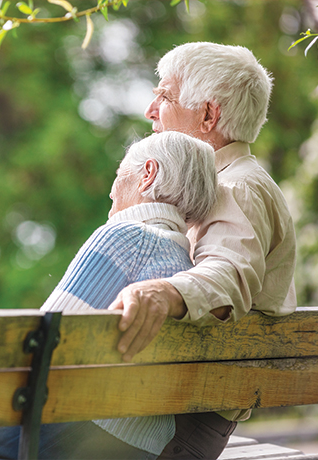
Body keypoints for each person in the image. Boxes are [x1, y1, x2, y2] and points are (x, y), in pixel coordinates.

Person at [0, 131, 219, 459]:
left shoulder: (128, 236)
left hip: (73, 425)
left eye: (119, 172)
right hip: (140, 444)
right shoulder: (184, 266)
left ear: (147, 174)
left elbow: (32, 356)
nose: (111, 189)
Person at [107, 42, 296, 459]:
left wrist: (164, 293)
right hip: (172, 407)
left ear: (208, 115)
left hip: (180, 425)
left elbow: (228, 274)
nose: (149, 110)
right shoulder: (217, 185)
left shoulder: (235, 187)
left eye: (164, 96)